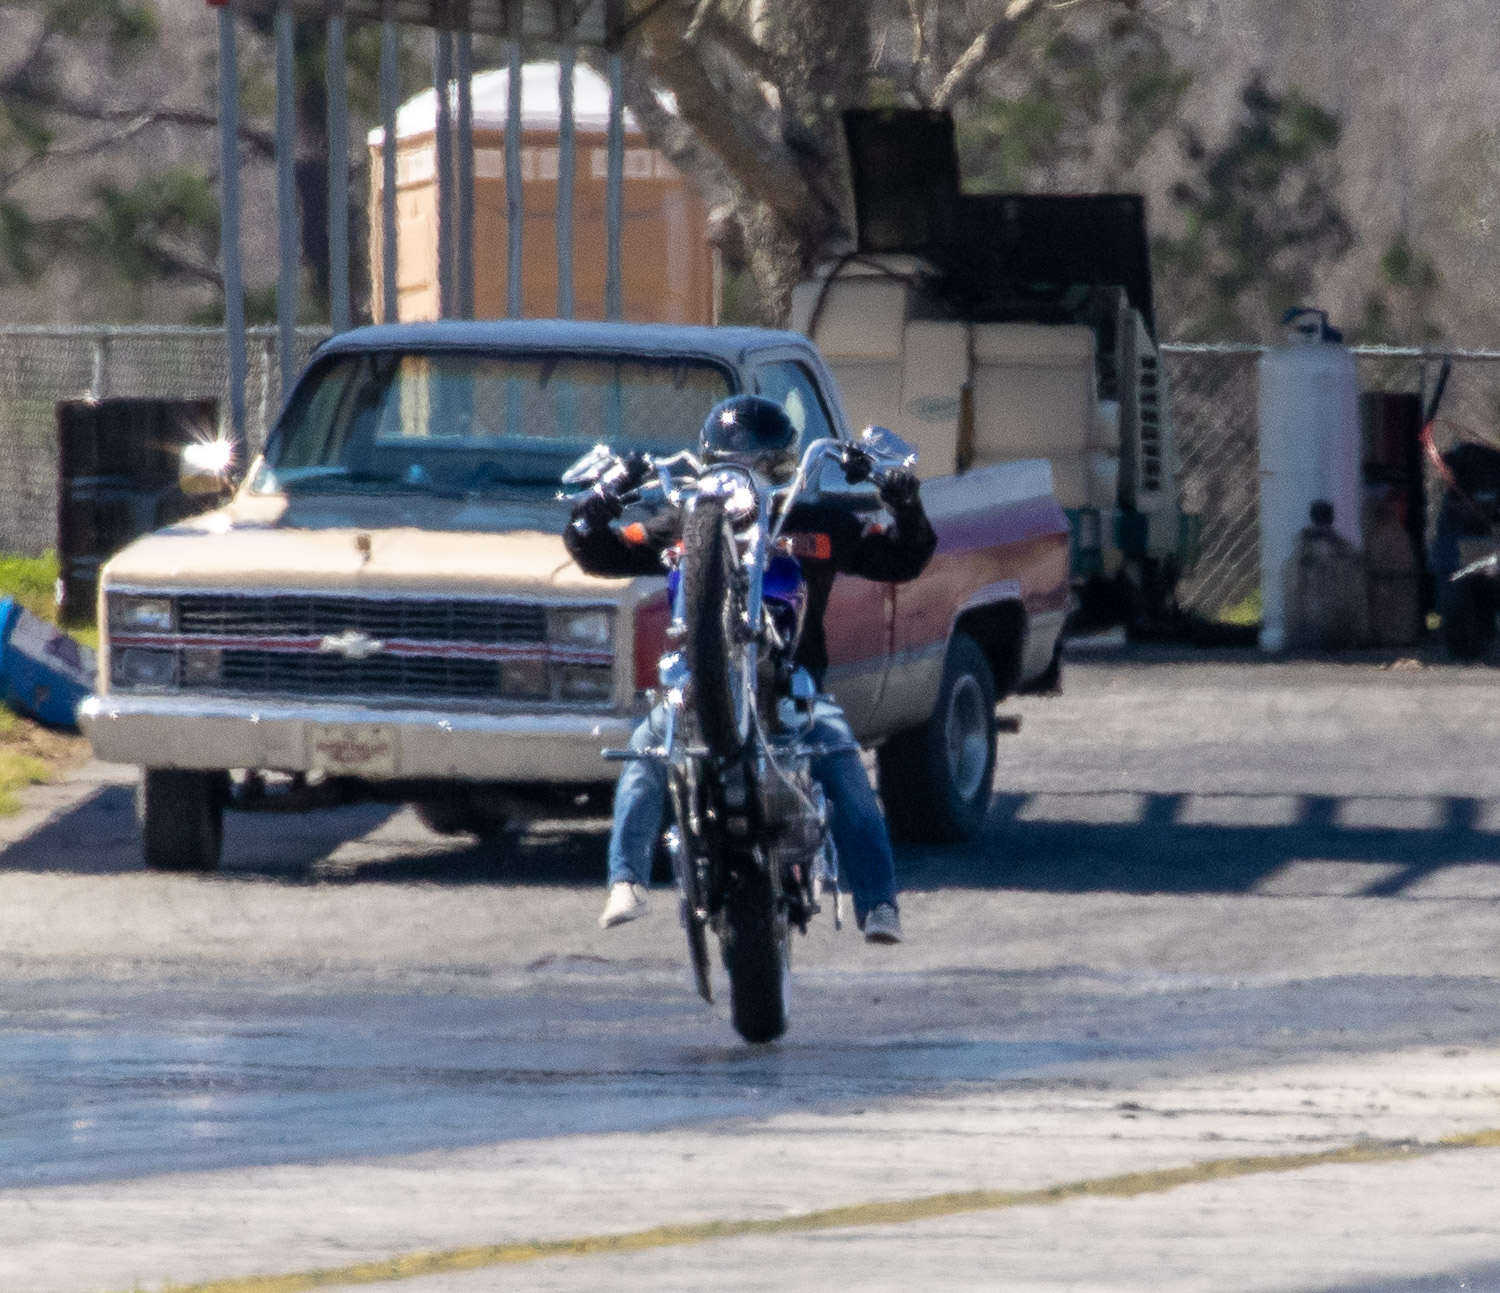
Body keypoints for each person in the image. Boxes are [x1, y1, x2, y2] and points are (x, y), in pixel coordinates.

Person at [564, 394, 937, 944]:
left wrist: (905, 504)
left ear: (785, 468)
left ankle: (879, 902)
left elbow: (903, 557)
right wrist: (600, 502)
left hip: (795, 694)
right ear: (706, 464)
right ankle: (627, 881)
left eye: (762, 464)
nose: (745, 478)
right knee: (646, 750)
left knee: (843, 763)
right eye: (727, 464)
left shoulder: (819, 524)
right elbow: (601, 551)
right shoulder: (685, 524)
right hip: (698, 693)